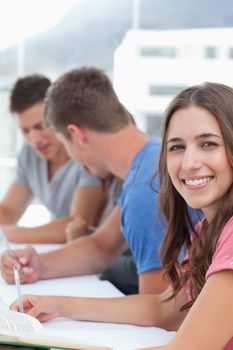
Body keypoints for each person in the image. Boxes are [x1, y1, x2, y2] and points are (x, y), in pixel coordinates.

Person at [2, 68, 197, 324]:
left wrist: (61, 305)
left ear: (77, 134)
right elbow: (102, 246)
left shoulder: (145, 188)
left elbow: (161, 315)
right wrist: (38, 265)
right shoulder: (149, 158)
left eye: (65, 143)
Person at [0, 74, 106, 244]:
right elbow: (8, 210)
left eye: (40, 126)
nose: (34, 140)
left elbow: (77, 225)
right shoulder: (29, 155)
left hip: (95, 256)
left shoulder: (86, 154)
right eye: (25, 131)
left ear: (58, 116)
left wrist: (7, 234)